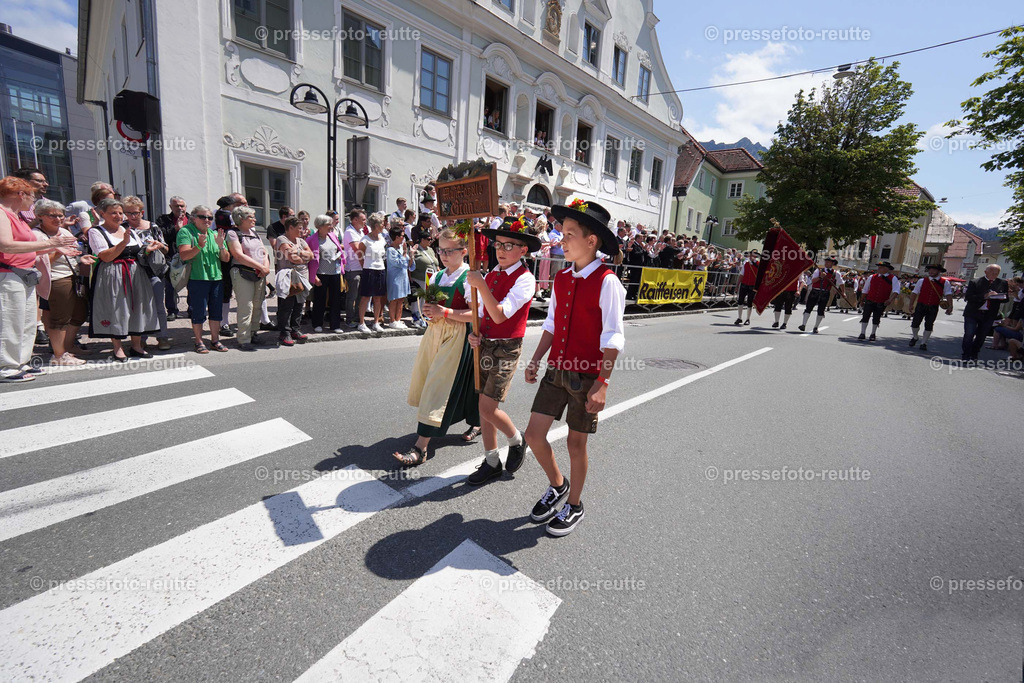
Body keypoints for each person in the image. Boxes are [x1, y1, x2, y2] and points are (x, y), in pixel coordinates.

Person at [523, 197, 625, 537]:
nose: (561, 240)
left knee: (575, 445)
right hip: (556, 371)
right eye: (561, 233)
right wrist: (536, 359)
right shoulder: (563, 278)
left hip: (587, 377)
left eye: (569, 234)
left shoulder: (607, 281)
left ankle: (575, 504)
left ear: (591, 241)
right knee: (533, 435)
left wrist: (603, 382)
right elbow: (551, 323)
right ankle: (558, 484)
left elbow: (612, 336)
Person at [393, 228, 482, 465]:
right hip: (434, 334)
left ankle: (421, 447)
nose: (443, 255)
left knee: (437, 387)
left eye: (450, 251)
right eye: (440, 250)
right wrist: (430, 313)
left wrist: (446, 312)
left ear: (464, 251)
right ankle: (478, 420)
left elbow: (477, 314)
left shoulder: (469, 278)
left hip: (456, 335)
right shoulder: (437, 275)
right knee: (445, 382)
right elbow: (432, 308)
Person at [464, 215, 541, 486]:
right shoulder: (493, 273)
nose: (501, 250)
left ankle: (517, 439)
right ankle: (491, 461)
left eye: (510, 246)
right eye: (498, 244)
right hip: (486, 343)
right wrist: (475, 332)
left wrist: (481, 284)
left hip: (507, 348)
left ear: (523, 251)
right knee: (484, 407)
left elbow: (499, 316)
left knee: (487, 406)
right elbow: (483, 314)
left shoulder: (525, 279)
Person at [1, 177, 76, 382]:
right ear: (20, 195)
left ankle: (20, 362)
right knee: (11, 321)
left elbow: (28, 248)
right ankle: (6, 366)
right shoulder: (1, 213)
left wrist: (54, 247)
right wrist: (51, 243)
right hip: (8, 274)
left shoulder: (15, 216)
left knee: (26, 322)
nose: (33, 202)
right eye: (32, 196)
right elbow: (5, 245)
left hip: (23, 274)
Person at [88, 198, 160, 360]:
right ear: (102, 214)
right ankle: (117, 347)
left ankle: (136, 346)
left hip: (135, 273)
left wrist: (148, 250)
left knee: (137, 307)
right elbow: (105, 257)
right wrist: (123, 243)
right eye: (113, 213)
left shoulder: (129, 230)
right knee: (117, 307)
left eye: (120, 213)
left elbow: (138, 252)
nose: (118, 216)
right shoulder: (96, 232)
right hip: (112, 274)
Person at [31, 198, 95, 364]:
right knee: (60, 319)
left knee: (80, 313)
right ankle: (59, 355)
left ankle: (67, 347)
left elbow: (72, 255)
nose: (58, 219)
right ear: (40, 216)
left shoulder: (65, 232)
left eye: (60, 215)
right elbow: (37, 263)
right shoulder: (37, 235)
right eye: (52, 215)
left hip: (73, 276)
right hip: (56, 279)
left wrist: (81, 259)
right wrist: (57, 252)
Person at [177, 205, 231, 353]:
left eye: (209, 218)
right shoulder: (186, 232)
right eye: (203, 217)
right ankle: (199, 341)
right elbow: (184, 255)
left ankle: (215, 340)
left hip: (216, 278)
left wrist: (221, 246)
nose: (207, 220)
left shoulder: (214, 234)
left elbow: (226, 259)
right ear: (194, 218)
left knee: (216, 311)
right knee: (198, 312)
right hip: (197, 278)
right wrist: (199, 246)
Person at [227, 205, 272, 349]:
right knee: (246, 306)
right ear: (241, 219)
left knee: (258, 304)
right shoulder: (233, 233)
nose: (255, 219)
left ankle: (253, 333)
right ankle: (244, 339)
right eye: (251, 217)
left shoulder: (254, 232)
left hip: (259, 273)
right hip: (242, 272)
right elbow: (238, 255)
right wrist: (261, 267)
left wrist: (264, 266)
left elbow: (264, 252)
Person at [274, 216, 313, 346]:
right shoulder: (281, 239)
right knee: (286, 305)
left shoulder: (300, 241)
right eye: (299, 228)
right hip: (288, 277)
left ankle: (295, 329)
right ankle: (284, 332)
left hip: (302, 276)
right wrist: (303, 257)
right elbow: (292, 258)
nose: (302, 231)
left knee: (299, 305)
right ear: (290, 228)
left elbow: (311, 255)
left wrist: (299, 253)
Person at [306, 214, 346, 334]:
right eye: (328, 224)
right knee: (319, 300)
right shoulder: (312, 240)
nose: (331, 226)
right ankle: (317, 323)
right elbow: (308, 260)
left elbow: (339, 249)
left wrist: (340, 255)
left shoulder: (332, 236)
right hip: (320, 273)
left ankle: (335, 325)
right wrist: (314, 276)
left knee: (335, 299)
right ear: (320, 226)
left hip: (334, 272)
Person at [961, 264, 1008, 362]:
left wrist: (1000, 296)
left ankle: (974, 354)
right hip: (973, 313)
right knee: (969, 334)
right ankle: (966, 355)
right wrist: (984, 296)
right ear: (986, 272)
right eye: (991, 272)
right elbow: (968, 297)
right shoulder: (975, 282)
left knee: (981, 336)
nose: (994, 274)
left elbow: (1006, 299)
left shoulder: (1002, 283)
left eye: (996, 273)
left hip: (989, 314)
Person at [155, 195, 189, 320]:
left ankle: (191, 309)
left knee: (191, 283)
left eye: (182, 206)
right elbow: (161, 236)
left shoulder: (191, 219)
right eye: (176, 206)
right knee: (170, 285)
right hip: (171, 256)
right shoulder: (163, 219)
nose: (180, 208)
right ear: (171, 207)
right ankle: (172, 310)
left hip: (190, 255)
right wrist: (176, 229)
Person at [355, 211, 389, 334]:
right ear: (375, 225)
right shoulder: (365, 239)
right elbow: (360, 255)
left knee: (378, 298)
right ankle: (361, 323)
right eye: (381, 223)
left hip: (381, 270)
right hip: (369, 270)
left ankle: (375, 322)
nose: (384, 225)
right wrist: (365, 267)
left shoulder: (382, 239)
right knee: (365, 297)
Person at [908, 264, 953, 352]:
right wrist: (911, 304)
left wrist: (950, 306)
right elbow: (914, 292)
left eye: (934, 270)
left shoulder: (945, 282)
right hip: (921, 305)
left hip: (933, 306)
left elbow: (948, 294)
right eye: (930, 270)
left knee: (929, 324)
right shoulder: (922, 281)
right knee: (915, 323)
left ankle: (923, 343)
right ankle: (915, 337)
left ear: (939, 271)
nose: (931, 272)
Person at [799, 256, 844, 334]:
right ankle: (803, 324)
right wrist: (821, 277)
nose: (826, 263)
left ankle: (816, 327)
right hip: (815, 291)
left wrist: (843, 292)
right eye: (825, 261)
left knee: (821, 310)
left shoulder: (836, 273)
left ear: (832, 263)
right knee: (808, 308)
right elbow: (813, 281)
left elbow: (841, 283)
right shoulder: (818, 270)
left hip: (825, 292)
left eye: (828, 262)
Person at [857, 261, 899, 342]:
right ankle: (862, 333)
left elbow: (896, 291)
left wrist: (890, 300)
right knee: (865, 316)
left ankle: (873, 333)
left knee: (876, 317)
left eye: (881, 267)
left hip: (881, 302)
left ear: (887, 269)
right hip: (870, 300)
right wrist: (861, 300)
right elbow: (865, 289)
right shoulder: (872, 277)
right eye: (879, 267)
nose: (879, 268)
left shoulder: (893, 278)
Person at [385, 225, 414, 329]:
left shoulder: (402, 248)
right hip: (395, 278)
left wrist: (411, 255)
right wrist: (405, 253)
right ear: (396, 237)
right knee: (394, 299)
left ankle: (398, 319)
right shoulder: (390, 250)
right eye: (402, 236)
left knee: (401, 299)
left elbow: (409, 265)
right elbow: (399, 263)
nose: (404, 238)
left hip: (403, 277)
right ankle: (392, 320)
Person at [343, 208, 366, 328]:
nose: (365, 221)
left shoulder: (360, 232)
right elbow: (358, 250)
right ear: (355, 220)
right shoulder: (350, 232)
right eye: (363, 219)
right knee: (352, 296)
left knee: (360, 296)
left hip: (361, 267)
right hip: (353, 269)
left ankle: (358, 318)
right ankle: (349, 319)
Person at [991, 277, 1024, 351]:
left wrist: (1005, 326)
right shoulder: (1020, 289)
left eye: (1015, 282)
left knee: (1010, 323)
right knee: (1008, 321)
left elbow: (1019, 298)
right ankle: (1002, 344)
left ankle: (1000, 344)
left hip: (1018, 305)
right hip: (1016, 305)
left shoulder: (1020, 290)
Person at [734, 251, 759, 326]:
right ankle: (739, 317)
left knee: (749, 302)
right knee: (740, 301)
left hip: (753, 285)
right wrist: (737, 285)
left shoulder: (758, 264)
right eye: (750, 255)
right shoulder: (746, 264)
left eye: (753, 255)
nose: (751, 256)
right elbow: (741, 275)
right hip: (744, 284)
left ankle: (748, 319)